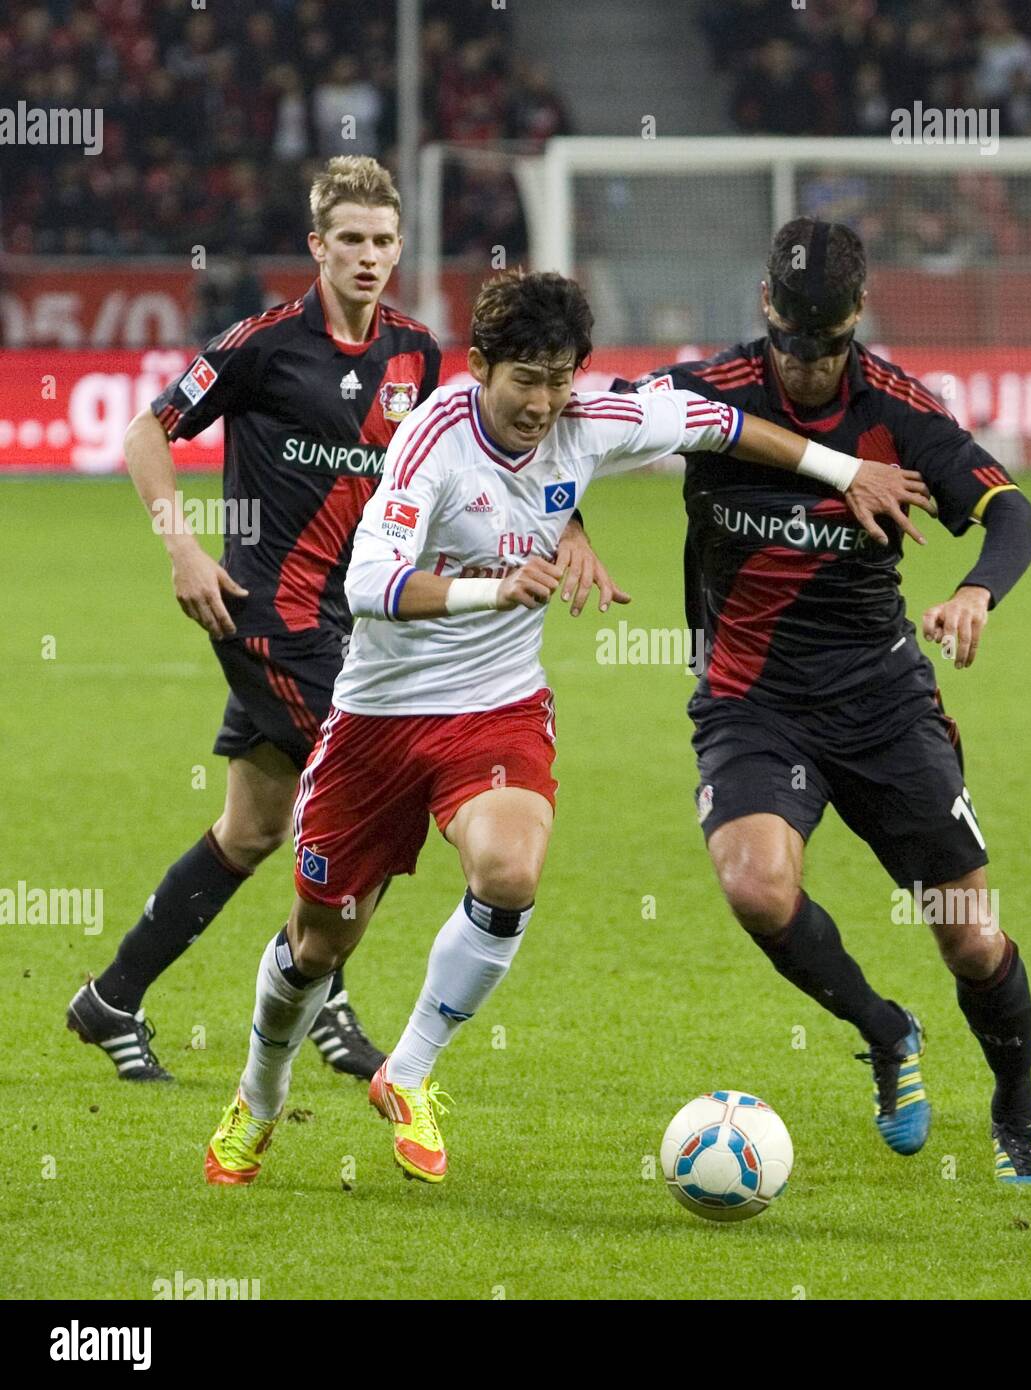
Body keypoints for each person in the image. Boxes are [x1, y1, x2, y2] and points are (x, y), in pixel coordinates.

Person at [202, 267, 932, 1186]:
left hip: (498, 708)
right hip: (379, 719)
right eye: (525, 381)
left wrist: (845, 467)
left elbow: (728, 425)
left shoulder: (589, 423)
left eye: (560, 379)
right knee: (319, 944)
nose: (543, 403)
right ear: (479, 368)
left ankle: (411, 1071)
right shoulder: (432, 439)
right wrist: (495, 588)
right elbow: (368, 587)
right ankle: (258, 1098)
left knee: (509, 870)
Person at [617, 217, 1031, 1184]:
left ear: (857, 317)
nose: (809, 367)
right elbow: (581, 425)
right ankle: (887, 1031)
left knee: (973, 942)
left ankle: (1015, 1103)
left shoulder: (900, 409)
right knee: (755, 886)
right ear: (767, 309)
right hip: (751, 702)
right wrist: (561, 527)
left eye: (829, 346)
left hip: (883, 703)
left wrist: (978, 588)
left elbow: (1014, 513)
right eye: (792, 345)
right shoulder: (708, 393)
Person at [68, 158, 444, 1082]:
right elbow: (145, 430)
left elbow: (426, 478)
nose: (366, 256)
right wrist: (183, 547)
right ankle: (321, 1000)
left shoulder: (418, 355)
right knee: (375, 796)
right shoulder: (265, 343)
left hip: (353, 624)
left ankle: (110, 999)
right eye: (348, 240)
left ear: (400, 248)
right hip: (266, 615)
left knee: (252, 829)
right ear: (317, 246)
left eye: (382, 241)